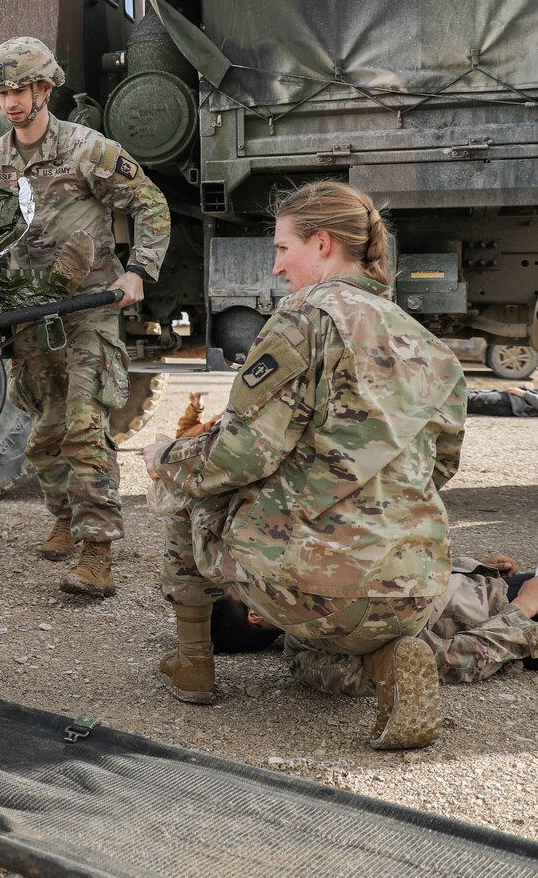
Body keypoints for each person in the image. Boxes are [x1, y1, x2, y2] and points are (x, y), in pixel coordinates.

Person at [144, 181, 467, 750]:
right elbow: (440, 466)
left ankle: (193, 662)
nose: (274, 268)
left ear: (322, 244)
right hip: (416, 587)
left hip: (313, 582)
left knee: (184, 480)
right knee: (309, 660)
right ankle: (388, 661)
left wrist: (164, 456)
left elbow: (240, 455)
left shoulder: (305, 318)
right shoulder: (424, 341)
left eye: (281, 249)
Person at [0, 37, 170, 597]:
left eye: (19, 90)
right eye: (1, 93)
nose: (10, 102)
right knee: (44, 433)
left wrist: (138, 272)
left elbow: (150, 205)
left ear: (44, 88)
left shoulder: (90, 150)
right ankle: (63, 516)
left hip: (88, 310)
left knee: (85, 429)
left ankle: (97, 552)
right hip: (31, 314)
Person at [211, 554, 538, 686]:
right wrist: (521, 610)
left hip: (500, 590)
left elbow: (395, 573)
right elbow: (444, 662)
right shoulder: (311, 656)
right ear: (255, 614)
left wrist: (476, 566)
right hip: (515, 621)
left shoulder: (307, 591)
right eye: (243, 589)